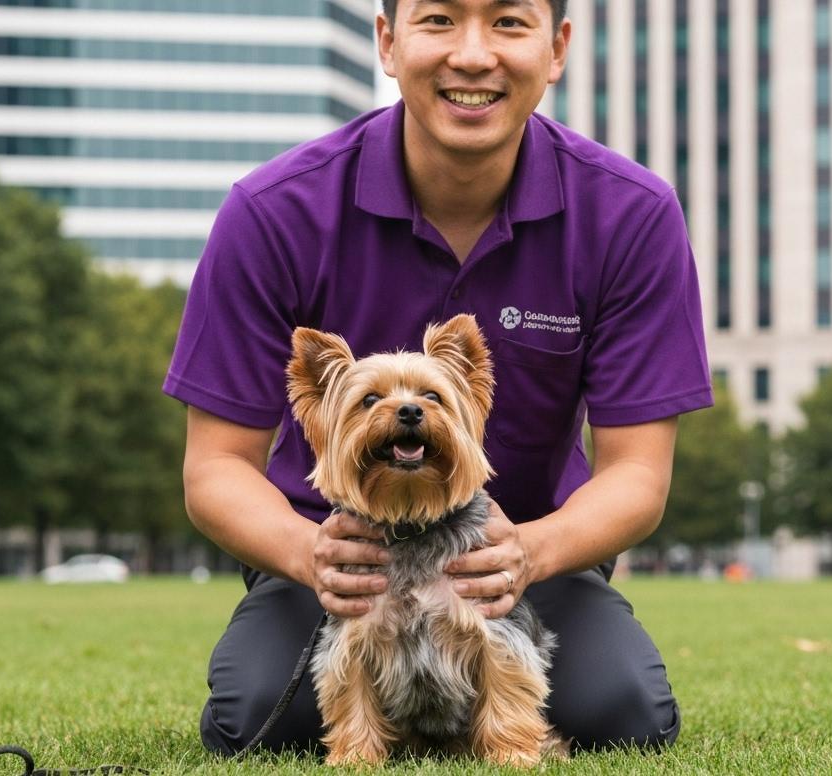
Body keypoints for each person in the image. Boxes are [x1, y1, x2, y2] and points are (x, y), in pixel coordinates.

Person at [163, 0, 713, 756]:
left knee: (622, 715)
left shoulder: (632, 214)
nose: (474, 55)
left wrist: (531, 551)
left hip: (533, 559)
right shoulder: (272, 213)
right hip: (329, 559)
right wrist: (307, 555)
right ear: (388, 42)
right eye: (440, 20)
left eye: (510, 24)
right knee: (258, 720)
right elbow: (215, 467)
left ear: (556, 49)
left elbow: (639, 478)